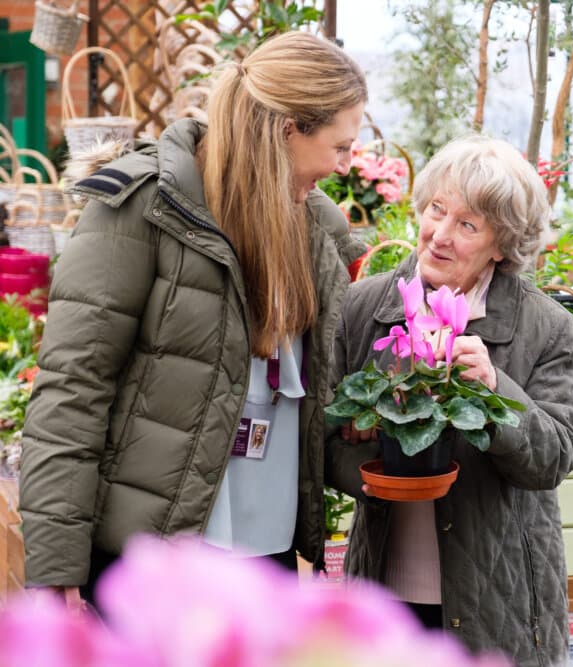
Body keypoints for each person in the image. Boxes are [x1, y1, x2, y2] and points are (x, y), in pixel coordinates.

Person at [18, 32, 368, 610]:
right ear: (287, 130)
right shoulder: (141, 207)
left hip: (267, 553)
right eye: (340, 145)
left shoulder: (317, 230)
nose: (344, 166)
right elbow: (72, 391)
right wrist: (55, 567)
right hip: (152, 562)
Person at [326, 136, 573, 666]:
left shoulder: (544, 325)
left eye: (468, 225)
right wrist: (372, 462)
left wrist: (494, 387)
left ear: (502, 243)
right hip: (383, 592)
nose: (439, 235)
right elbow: (323, 442)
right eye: (436, 210)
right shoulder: (362, 307)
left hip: (500, 599)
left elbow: (555, 456)